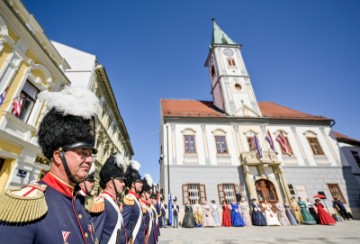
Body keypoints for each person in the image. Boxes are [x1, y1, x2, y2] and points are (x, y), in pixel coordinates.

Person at [0, 86, 99, 243]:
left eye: (90, 153)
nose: (89, 160)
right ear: (58, 156)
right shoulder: (25, 205)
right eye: (82, 152)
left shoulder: (79, 202)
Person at [91, 153, 127, 243]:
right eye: (120, 181)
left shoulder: (113, 202)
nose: (123, 184)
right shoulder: (102, 203)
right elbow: (94, 238)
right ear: (110, 184)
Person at [121, 160, 144, 244]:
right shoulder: (129, 199)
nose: (142, 184)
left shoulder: (135, 200)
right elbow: (123, 225)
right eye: (139, 182)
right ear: (133, 184)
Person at [139, 174, 155, 244]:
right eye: (148, 193)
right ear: (143, 194)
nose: (150, 195)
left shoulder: (146, 206)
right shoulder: (141, 206)